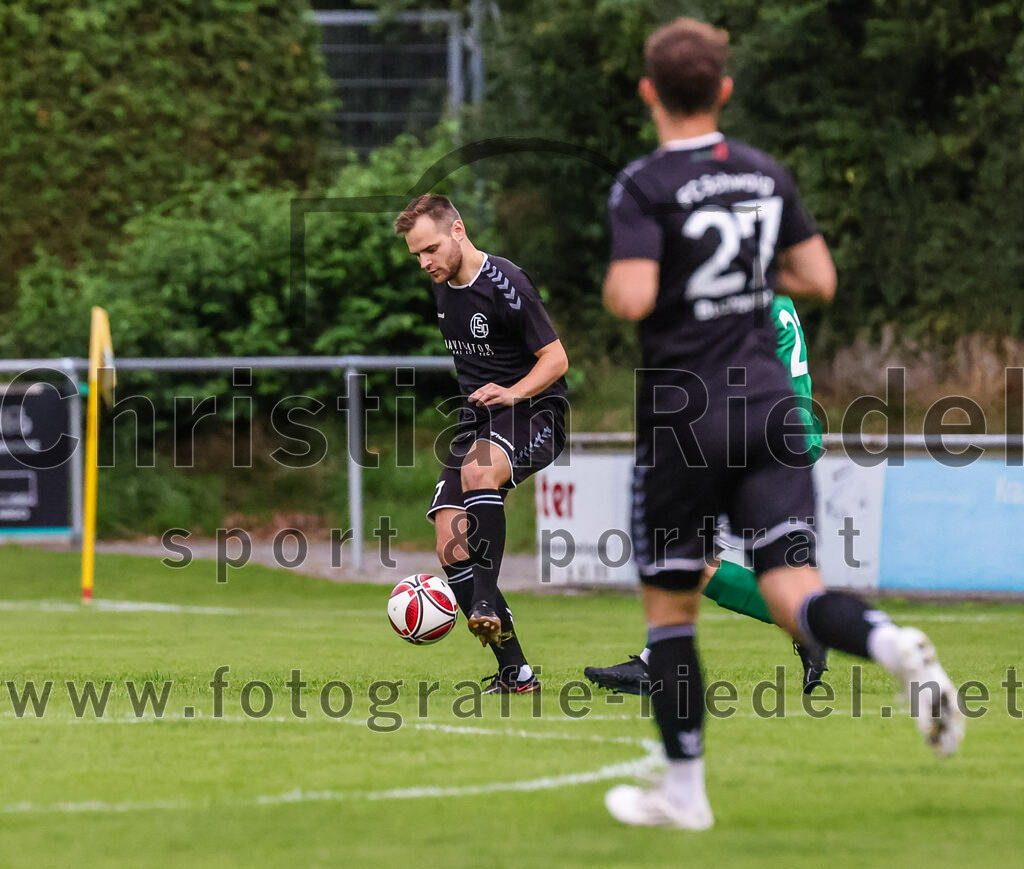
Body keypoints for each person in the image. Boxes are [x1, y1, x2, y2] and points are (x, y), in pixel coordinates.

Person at [600, 18, 963, 830]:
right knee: (794, 587)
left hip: (686, 414)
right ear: (725, 90)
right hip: (771, 409)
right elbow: (819, 278)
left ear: (649, 93)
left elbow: (628, 296)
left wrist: (670, 280)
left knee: (671, 605)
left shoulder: (643, 185)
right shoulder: (765, 174)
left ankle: (685, 793)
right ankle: (892, 643)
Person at [584, 294, 829, 696]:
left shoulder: (738, 301)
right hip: (782, 432)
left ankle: (811, 623)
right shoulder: (771, 297)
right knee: (688, 558)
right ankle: (807, 625)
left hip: (756, 436)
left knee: (679, 554)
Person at [393, 194, 569, 694]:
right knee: (449, 541)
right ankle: (517, 671)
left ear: (459, 231)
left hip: (535, 413)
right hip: (481, 424)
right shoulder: (444, 287)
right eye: (416, 256)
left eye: (429, 249)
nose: (424, 262)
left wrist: (513, 392)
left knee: (477, 472)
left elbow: (556, 360)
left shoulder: (507, 283)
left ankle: (487, 598)